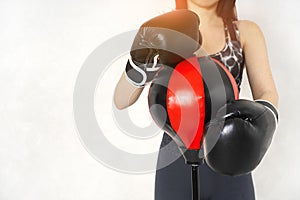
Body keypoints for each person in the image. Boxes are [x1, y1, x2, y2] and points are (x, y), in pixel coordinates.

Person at [114, 0, 279, 199]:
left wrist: (264, 119)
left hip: (229, 152)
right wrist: (139, 63)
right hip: (175, 157)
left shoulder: (244, 31)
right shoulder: (165, 29)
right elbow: (121, 101)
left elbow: (266, 92)